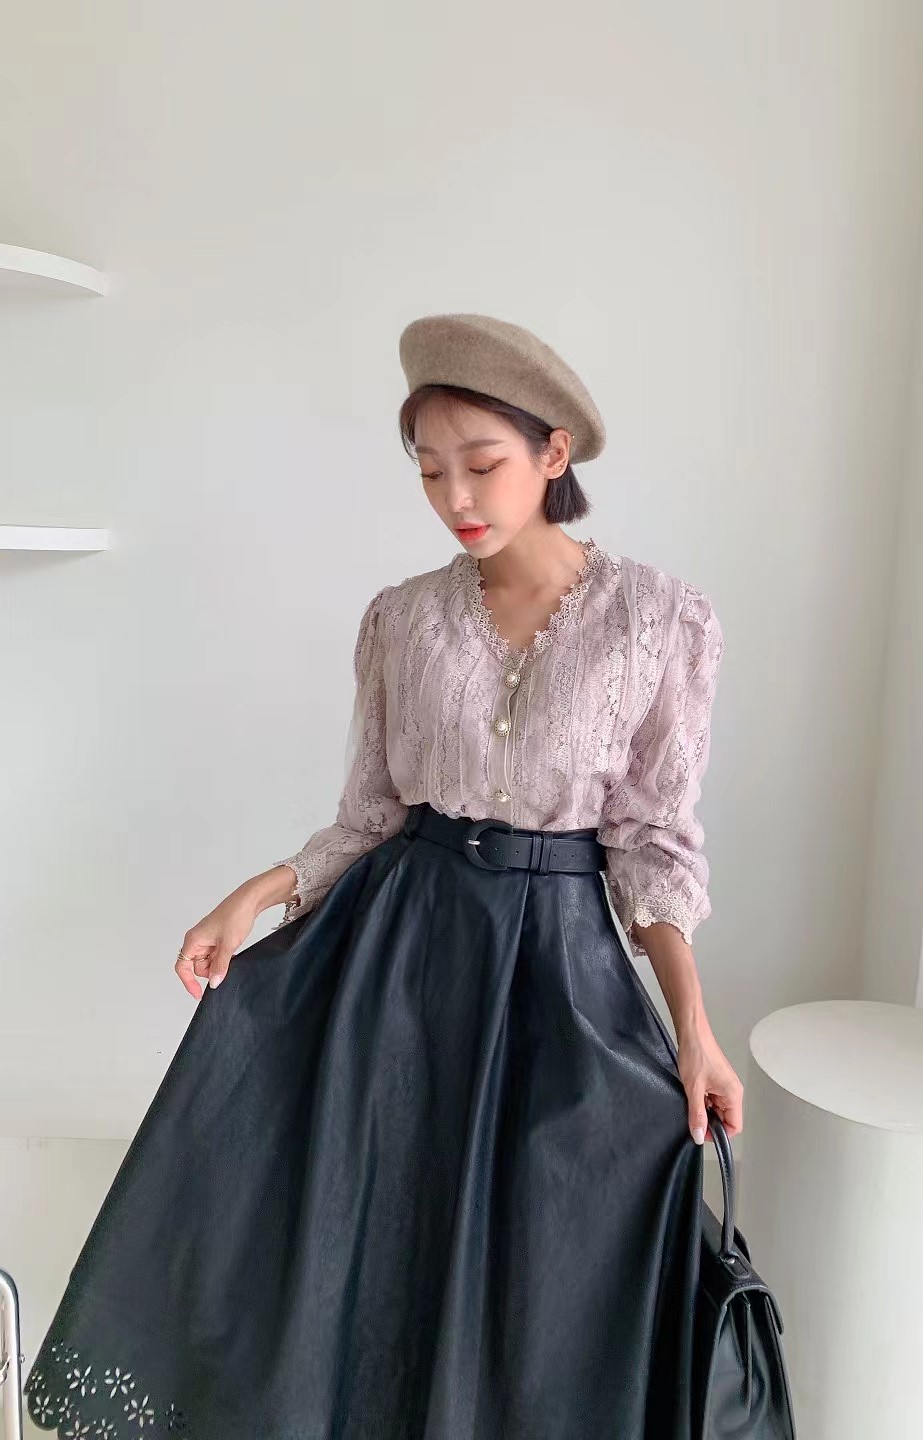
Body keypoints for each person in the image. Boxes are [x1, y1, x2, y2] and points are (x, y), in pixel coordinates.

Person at [24, 312, 743, 1439]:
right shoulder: (402, 620)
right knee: (363, 1233)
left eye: (482, 463)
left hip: (557, 978)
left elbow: (654, 843)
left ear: (553, 453)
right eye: (428, 468)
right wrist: (255, 896)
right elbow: (370, 818)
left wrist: (693, 1028)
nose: (456, 496)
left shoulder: (661, 622)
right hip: (397, 961)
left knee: (553, 1248)